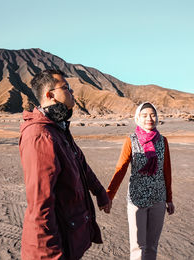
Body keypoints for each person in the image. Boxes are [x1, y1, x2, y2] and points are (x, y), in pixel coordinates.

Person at [19, 69, 111, 260]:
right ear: (50, 95)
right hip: (55, 246)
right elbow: (40, 203)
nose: (72, 93)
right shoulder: (40, 135)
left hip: (70, 234)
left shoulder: (57, 128)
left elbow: (80, 163)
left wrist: (100, 192)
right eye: (67, 88)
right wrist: (51, 255)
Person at [107, 102, 175, 260]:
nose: (149, 118)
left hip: (158, 198)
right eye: (144, 115)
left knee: (152, 246)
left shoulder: (162, 141)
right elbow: (121, 168)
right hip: (136, 200)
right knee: (137, 247)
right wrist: (109, 195)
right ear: (137, 118)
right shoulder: (131, 140)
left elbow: (167, 171)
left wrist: (169, 199)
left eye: (152, 115)